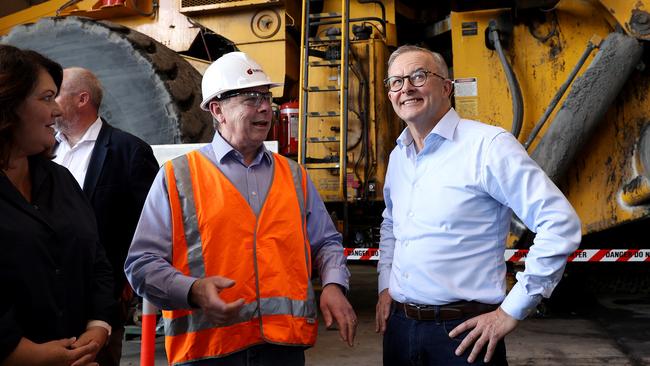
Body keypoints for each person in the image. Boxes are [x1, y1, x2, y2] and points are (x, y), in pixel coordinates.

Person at [125, 51, 357, 365]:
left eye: (266, 97)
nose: (264, 107)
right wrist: (193, 291)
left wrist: (333, 284)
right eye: (250, 98)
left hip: (282, 348)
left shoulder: (294, 175)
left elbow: (326, 242)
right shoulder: (177, 177)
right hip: (207, 350)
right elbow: (142, 264)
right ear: (218, 110)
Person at [375, 45, 582, 365]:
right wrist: (385, 286)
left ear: (446, 87)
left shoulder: (488, 146)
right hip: (400, 330)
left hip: (462, 336)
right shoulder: (398, 155)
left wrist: (511, 311)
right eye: (396, 82)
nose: (407, 88)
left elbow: (559, 221)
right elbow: (391, 223)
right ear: (390, 95)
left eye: (418, 75)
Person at [0, 45, 115, 365]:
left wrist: (98, 328)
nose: (57, 111)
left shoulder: (61, 180)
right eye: (46, 98)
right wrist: (26, 354)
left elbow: (97, 261)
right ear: (8, 104)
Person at [53, 67, 159, 366]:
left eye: (55, 94)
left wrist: (128, 282)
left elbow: (148, 224)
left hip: (102, 296)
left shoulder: (129, 152)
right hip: (49, 292)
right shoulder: (46, 150)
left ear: (82, 99)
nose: (49, 103)